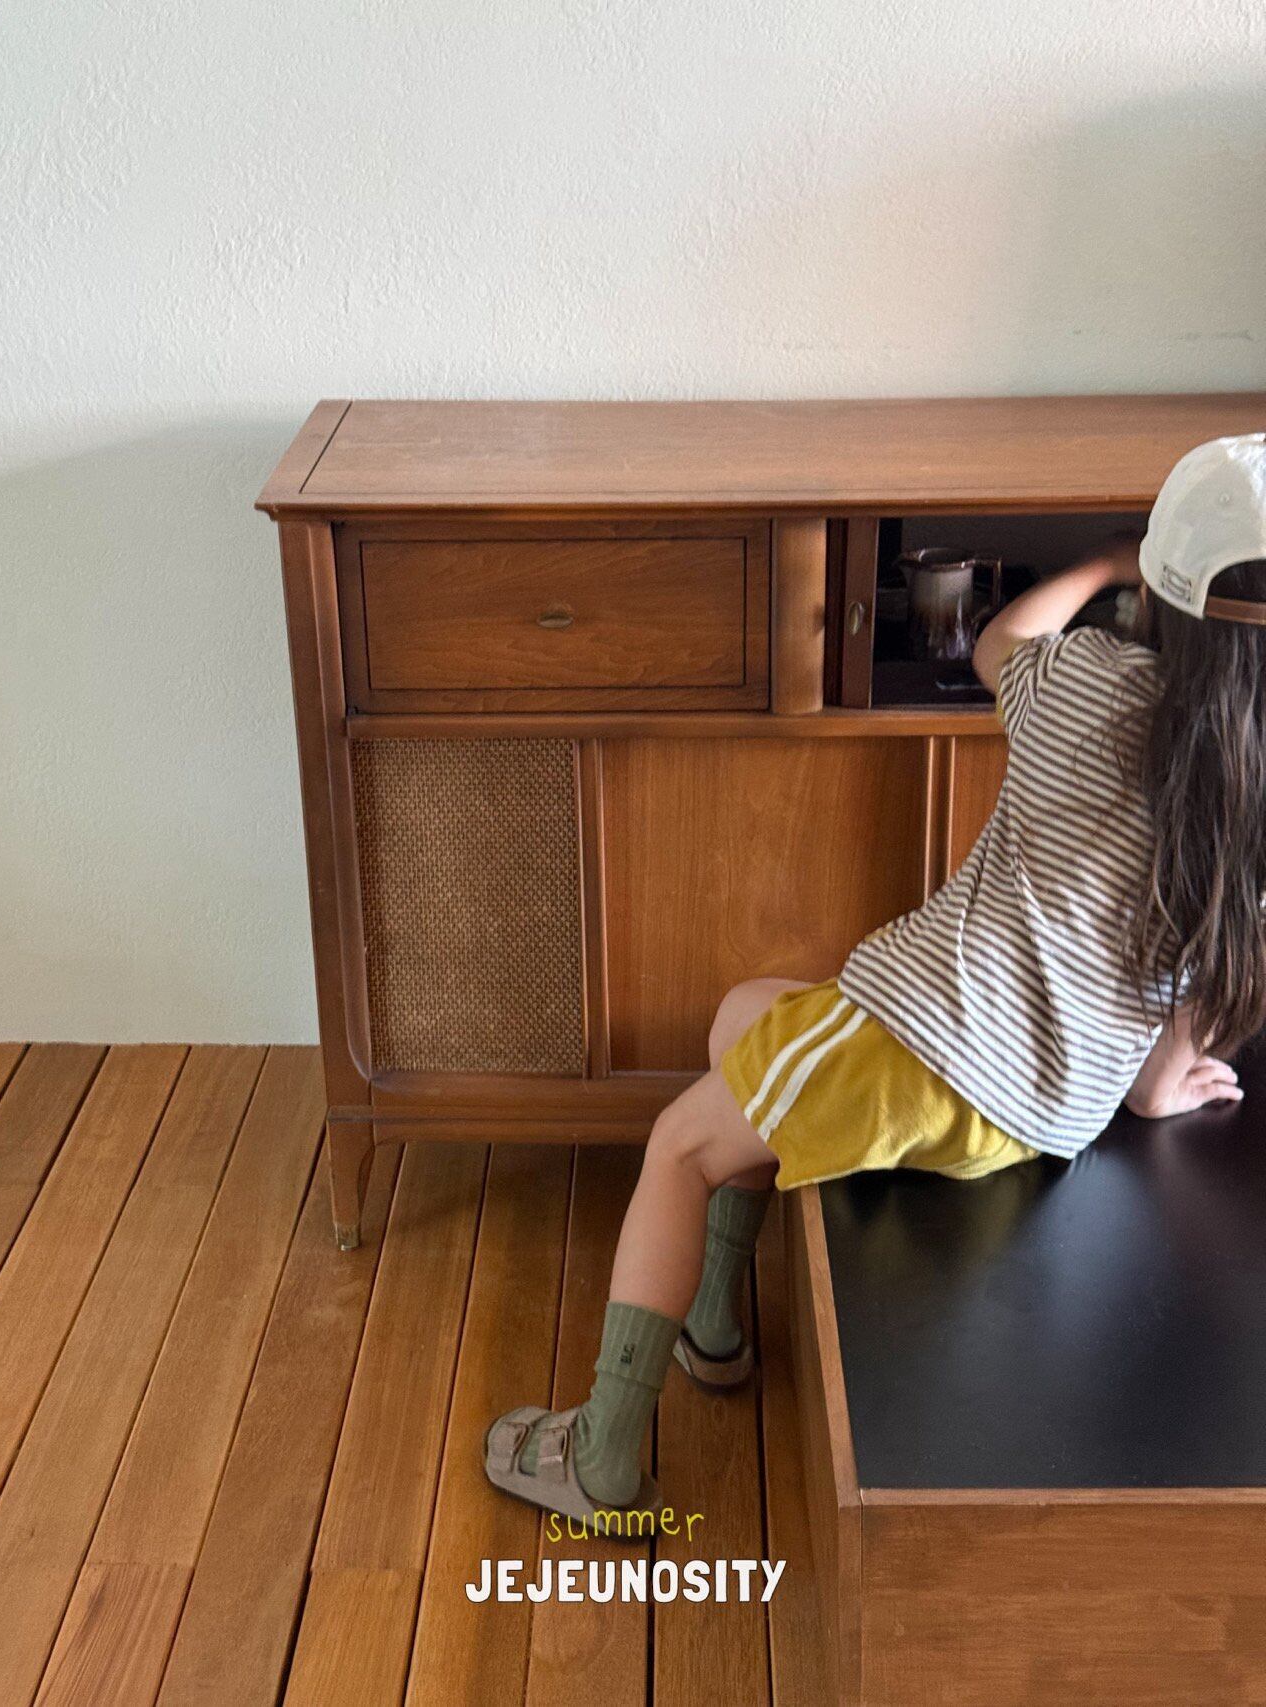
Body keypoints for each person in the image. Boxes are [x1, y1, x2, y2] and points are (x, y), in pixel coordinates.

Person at [484, 433, 1266, 1527]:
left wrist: (1099, 563)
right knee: (745, 1016)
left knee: (675, 1147)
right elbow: (1189, 999)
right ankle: (713, 1327)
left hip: (922, 1045)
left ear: (1160, 585)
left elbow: (999, 641)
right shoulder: (1248, 796)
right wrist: (1161, 1089)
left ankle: (600, 1455)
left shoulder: (1092, 686)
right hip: (1042, 1111)